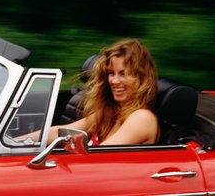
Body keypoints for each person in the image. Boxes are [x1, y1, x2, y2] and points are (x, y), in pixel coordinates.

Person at [20, 38, 159, 145]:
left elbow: (99, 157)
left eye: (123, 74)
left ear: (141, 78)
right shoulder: (112, 111)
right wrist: (13, 143)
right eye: (111, 73)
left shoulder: (142, 118)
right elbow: (60, 132)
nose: (114, 81)